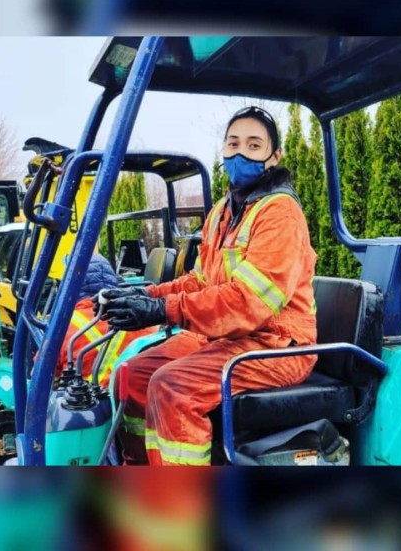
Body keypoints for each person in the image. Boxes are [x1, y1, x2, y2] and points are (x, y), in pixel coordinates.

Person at [100, 106, 318, 465]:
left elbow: (249, 302)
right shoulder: (223, 211)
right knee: (133, 374)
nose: (239, 153)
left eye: (253, 144)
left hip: (277, 344)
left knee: (174, 386)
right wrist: (145, 294)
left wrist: (162, 310)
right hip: (226, 338)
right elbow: (200, 280)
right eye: (233, 143)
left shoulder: (280, 213)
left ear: (273, 156)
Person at [55, 252, 158, 386]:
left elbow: (45, 376)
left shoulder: (61, 327)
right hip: (133, 402)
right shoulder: (145, 318)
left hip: (86, 403)